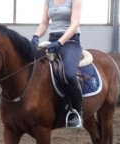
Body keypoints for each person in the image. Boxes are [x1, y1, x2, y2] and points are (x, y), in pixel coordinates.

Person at [31, 0, 83, 128]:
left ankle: (77, 111)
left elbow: (74, 24)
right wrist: (36, 36)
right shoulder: (48, 1)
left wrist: (60, 42)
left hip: (71, 42)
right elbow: (44, 23)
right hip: (51, 41)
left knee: (69, 74)